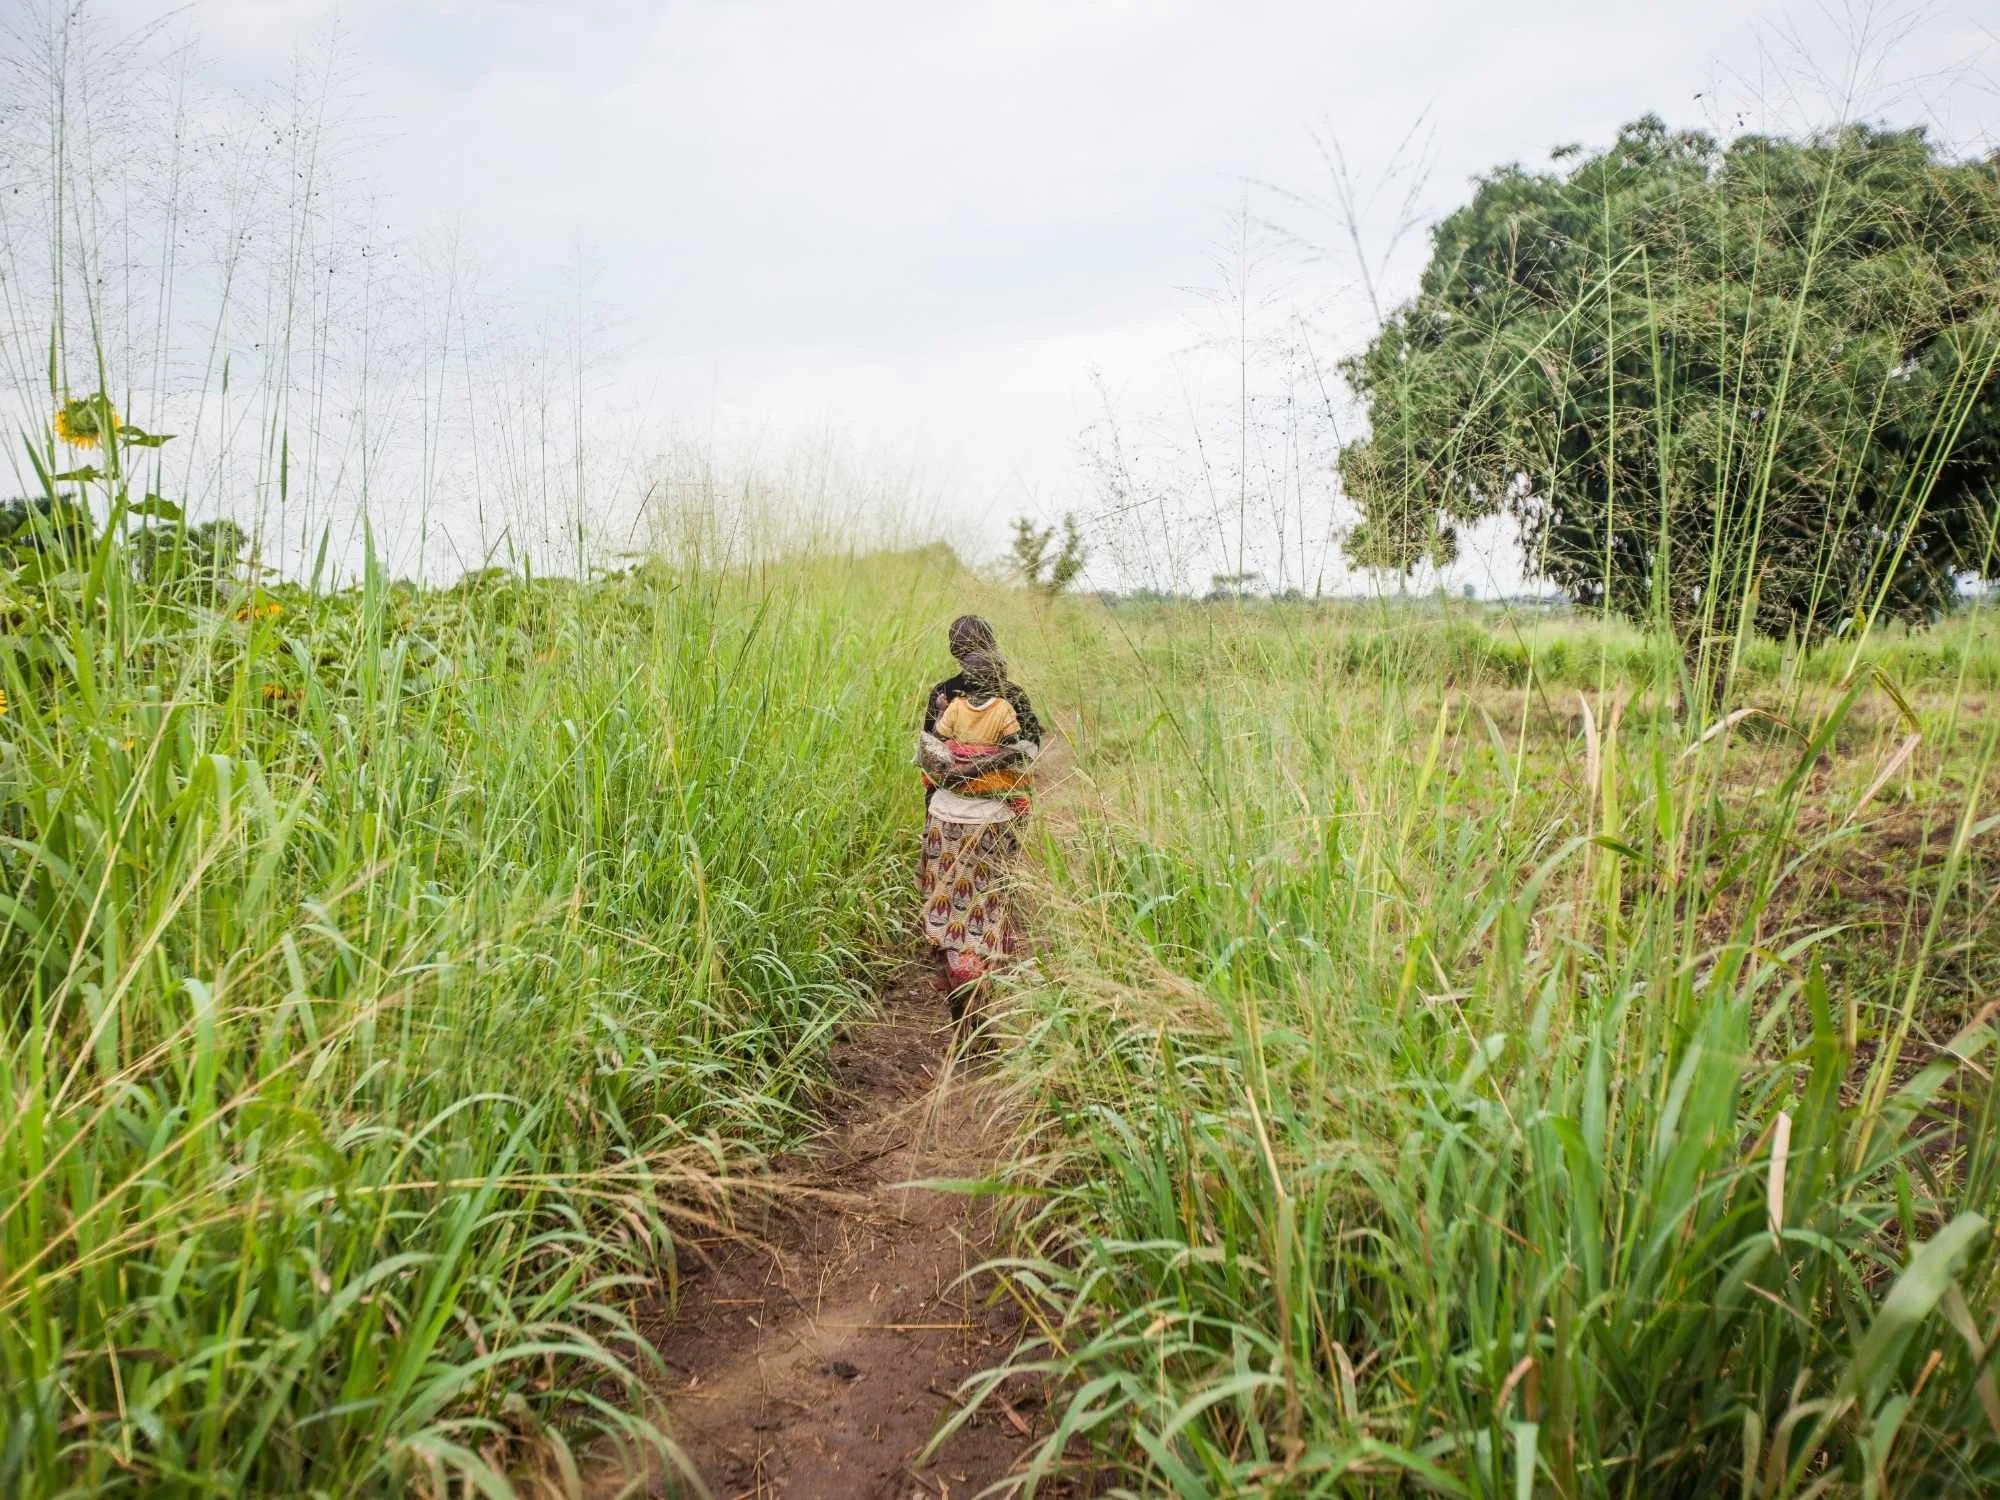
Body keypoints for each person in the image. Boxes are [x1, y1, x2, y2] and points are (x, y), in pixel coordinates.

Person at [915, 616, 1041, 1013]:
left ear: (954, 652)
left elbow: (929, 759)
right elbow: (1028, 755)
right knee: (988, 907)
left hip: (945, 819)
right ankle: (980, 999)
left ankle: (957, 983)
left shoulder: (943, 695)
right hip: (994, 820)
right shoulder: (1013, 698)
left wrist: (957, 775)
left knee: (947, 905)